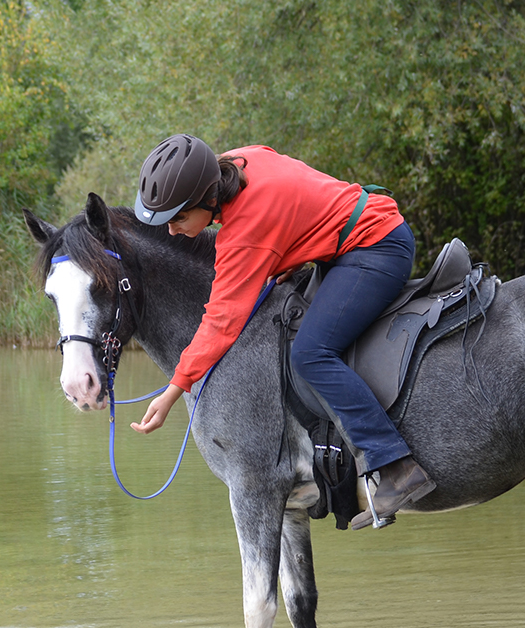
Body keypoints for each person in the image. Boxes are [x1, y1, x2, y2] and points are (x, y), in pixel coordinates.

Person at [129, 134, 435, 529]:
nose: (171, 231)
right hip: (351, 240)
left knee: (310, 353)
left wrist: (174, 390)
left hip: (376, 247)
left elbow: (222, 321)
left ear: (207, 198)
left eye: (178, 218)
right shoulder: (242, 159)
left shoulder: (242, 233)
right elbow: (296, 203)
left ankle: (396, 466)